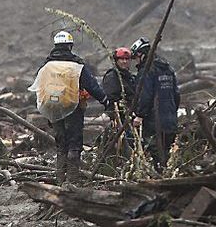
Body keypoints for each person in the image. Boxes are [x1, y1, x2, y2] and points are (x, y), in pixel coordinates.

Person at [31, 30, 110, 183]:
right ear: (70, 46)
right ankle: (73, 181)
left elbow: (40, 87)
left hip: (52, 108)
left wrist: (47, 111)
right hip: (73, 108)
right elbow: (92, 85)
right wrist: (105, 100)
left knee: (61, 145)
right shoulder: (76, 65)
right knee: (74, 143)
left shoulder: (47, 65)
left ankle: (60, 180)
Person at [130, 36, 180, 171]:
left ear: (141, 54)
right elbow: (176, 95)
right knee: (167, 153)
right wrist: (172, 112)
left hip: (154, 121)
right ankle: (167, 174)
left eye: (135, 57)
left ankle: (160, 179)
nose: (135, 60)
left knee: (156, 154)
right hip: (171, 120)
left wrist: (139, 115)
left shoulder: (146, 71)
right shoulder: (168, 69)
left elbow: (144, 95)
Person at [102, 47, 137, 123]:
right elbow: (111, 99)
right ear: (116, 61)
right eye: (122, 59)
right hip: (118, 117)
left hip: (131, 115)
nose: (124, 61)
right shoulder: (111, 76)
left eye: (127, 59)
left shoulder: (131, 77)